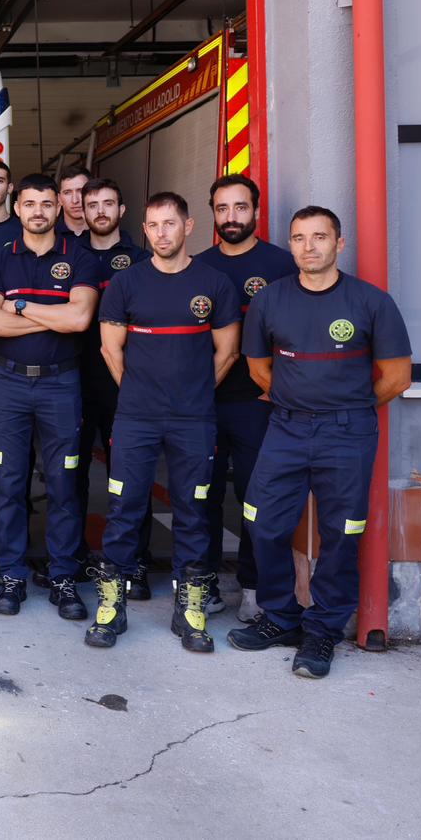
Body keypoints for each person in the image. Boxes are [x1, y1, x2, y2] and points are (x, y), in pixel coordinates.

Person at [228, 206, 411, 679]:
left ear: (339, 243)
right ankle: (281, 616)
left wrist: (347, 405)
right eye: (299, 238)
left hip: (347, 432)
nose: (308, 247)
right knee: (261, 520)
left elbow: (397, 377)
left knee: (342, 533)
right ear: (290, 245)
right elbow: (258, 368)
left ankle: (323, 630)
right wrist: (298, 401)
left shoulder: (371, 302)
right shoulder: (270, 300)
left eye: (319, 237)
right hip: (286, 427)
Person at [84, 192, 241, 653]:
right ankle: (111, 606)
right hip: (136, 416)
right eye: (152, 225)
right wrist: (139, 392)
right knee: (124, 509)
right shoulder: (126, 283)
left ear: (188, 226)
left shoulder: (214, 283)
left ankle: (189, 611)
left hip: (194, 418)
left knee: (193, 511)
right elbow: (110, 349)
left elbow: (228, 352)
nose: (160, 233)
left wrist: (191, 393)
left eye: (169, 223)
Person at [0, 174, 99, 619]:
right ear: (17, 207)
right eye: (30, 204)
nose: (39, 212)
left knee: (64, 484)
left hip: (60, 384)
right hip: (8, 384)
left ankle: (63, 576)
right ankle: (12, 575)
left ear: (58, 208)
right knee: (9, 483)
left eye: (47, 204)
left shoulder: (80, 258)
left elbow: (80, 320)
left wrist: (20, 306)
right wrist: (54, 315)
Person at [195, 174, 297, 622]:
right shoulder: (197, 267)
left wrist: (280, 390)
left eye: (240, 207)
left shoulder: (281, 265)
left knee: (255, 496)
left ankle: (253, 586)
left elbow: (297, 333)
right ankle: (204, 582)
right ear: (212, 214)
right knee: (202, 495)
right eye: (222, 208)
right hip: (205, 403)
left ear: (256, 210)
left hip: (258, 403)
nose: (231, 217)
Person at [70, 177, 154, 595]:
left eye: (108, 203)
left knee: (130, 475)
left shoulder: (142, 261)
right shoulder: (67, 255)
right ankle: (73, 558)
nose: (100, 211)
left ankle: (134, 563)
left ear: (122, 211)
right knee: (71, 475)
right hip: (72, 380)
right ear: (81, 212)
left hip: (125, 383)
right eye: (92, 204)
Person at [56, 166, 90, 236]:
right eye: (67, 193)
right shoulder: (50, 235)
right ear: (59, 199)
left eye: (81, 191)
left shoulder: (107, 233)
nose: (75, 200)